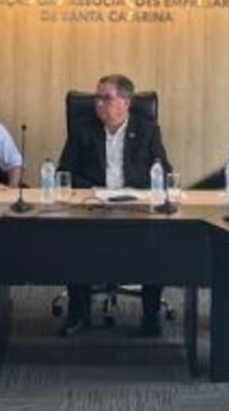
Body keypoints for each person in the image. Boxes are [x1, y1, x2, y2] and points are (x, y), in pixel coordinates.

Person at [56, 74, 171, 336]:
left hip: (136, 208)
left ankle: (151, 313)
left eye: (106, 98)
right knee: (69, 238)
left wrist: (137, 191)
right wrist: (94, 191)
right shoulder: (82, 129)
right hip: (92, 205)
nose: (98, 103)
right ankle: (79, 312)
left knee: (161, 241)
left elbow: (163, 170)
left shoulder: (147, 130)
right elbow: (65, 172)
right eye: (97, 98)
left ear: (126, 103)